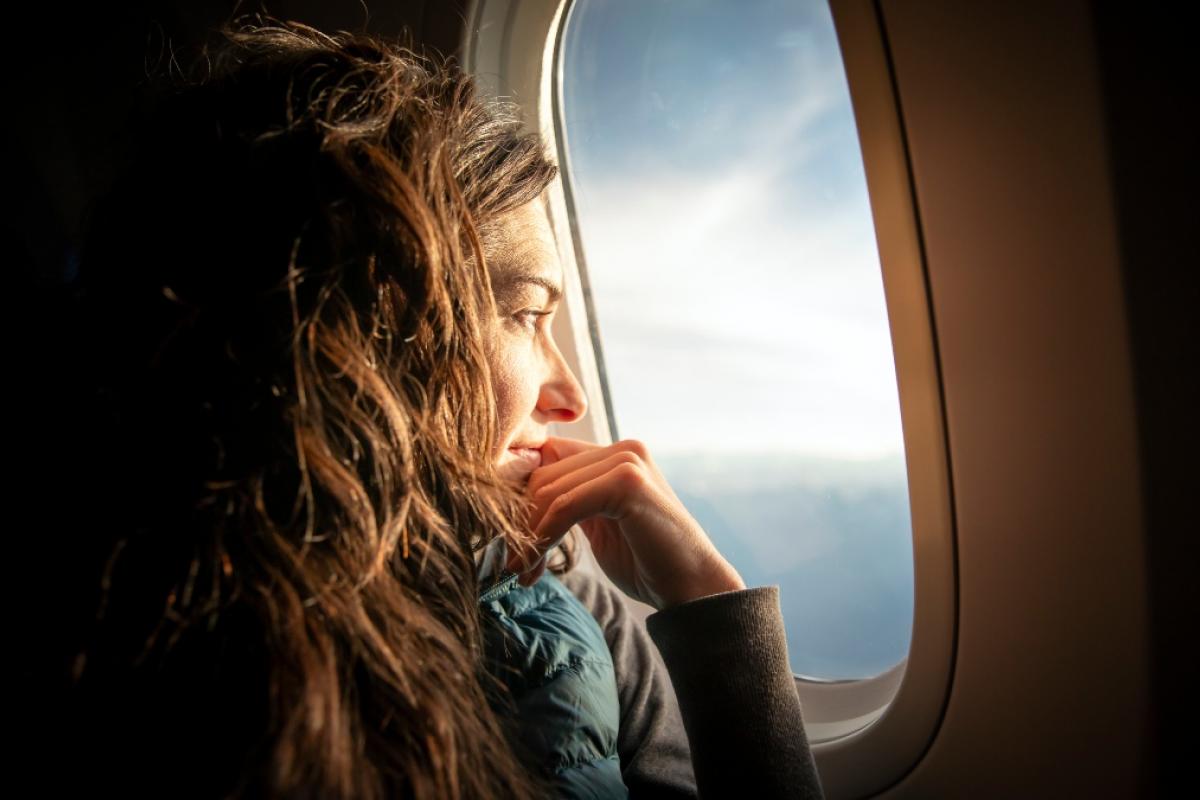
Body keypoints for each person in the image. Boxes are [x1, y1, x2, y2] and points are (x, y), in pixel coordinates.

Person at [53, 17, 824, 799]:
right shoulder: (154, 664)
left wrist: (707, 601)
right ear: (370, 334)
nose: (572, 397)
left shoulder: (561, 590)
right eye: (525, 314)